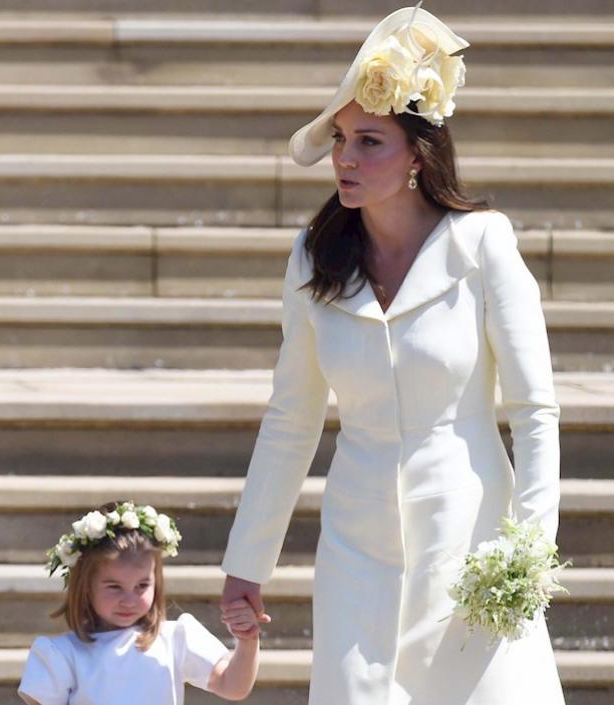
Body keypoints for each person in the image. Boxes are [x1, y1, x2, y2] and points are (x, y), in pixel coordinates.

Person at [219, 6, 565, 704]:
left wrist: (526, 553)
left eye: (368, 141)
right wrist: (247, 561)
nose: (345, 158)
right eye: (342, 138)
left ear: (418, 154)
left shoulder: (484, 244)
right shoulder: (315, 256)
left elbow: (535, 413)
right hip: (356, 552)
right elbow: (291, 418)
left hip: (472, 546)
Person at [18, 501, 260, 704]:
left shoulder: (176, 638)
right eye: (114, 587)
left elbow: (233, 685)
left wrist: (247, 640)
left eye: (142, 586)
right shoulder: (62, 655)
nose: (129, 600)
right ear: (85, 586)